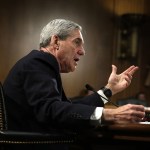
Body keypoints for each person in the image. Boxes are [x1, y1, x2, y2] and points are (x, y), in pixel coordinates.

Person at [3, 19, 145, 150]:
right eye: (77, 42)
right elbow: (51, 110)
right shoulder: (38, 62)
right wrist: (109, 115)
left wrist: (109, 90)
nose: (82, 51)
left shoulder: (39, 63)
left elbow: (67, 108)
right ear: (56, 41)